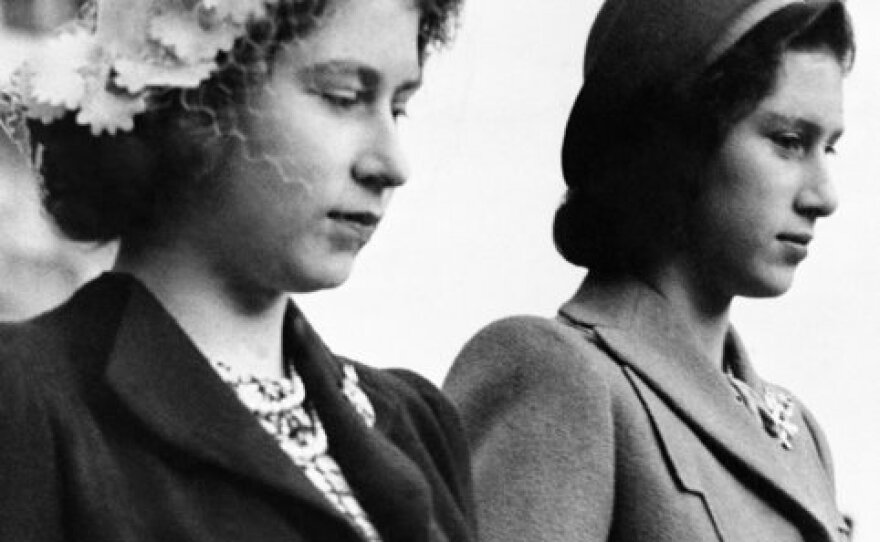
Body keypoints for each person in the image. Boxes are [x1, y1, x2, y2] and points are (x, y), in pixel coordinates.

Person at [0, 1, 476, 541]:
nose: (392, 164)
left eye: (400, 107)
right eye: (344, 98)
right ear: (195, 103)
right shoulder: (29, 402)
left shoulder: (416, 424)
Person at [444, 0, 855, 540]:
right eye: (788, 141)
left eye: (829, 147)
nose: (825, 196)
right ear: (678, 141)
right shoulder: (558, 376)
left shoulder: (798, 434)